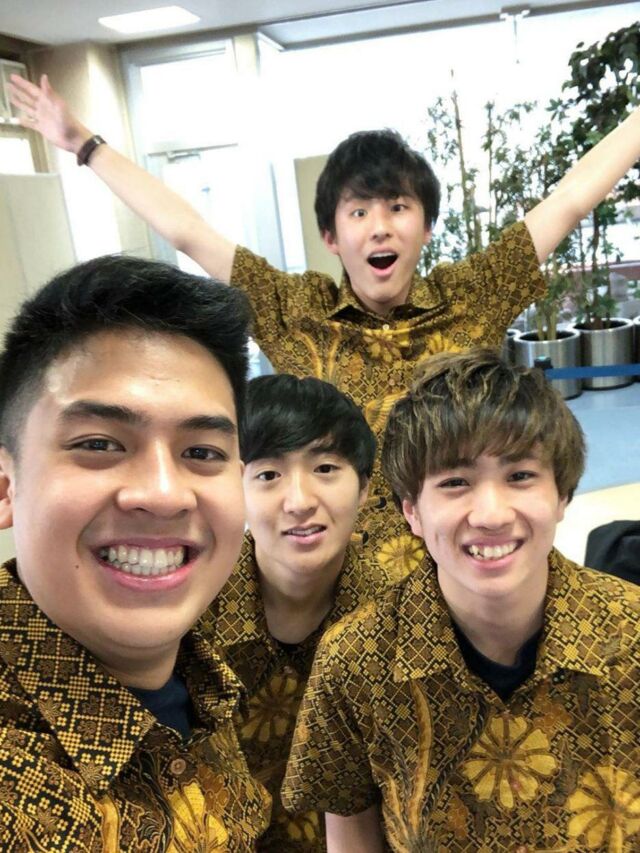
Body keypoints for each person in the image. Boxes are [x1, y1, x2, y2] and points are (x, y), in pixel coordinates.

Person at [9, 73, 640, 579]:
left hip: (467, 564)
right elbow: (187, 232)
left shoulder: (470, 296)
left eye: (398, 207)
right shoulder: (295, 311)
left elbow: (569, 201)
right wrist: (85, 145)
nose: (380, 227)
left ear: (425, 226)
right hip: (335, 582)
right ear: (332, 236)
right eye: (358, 211)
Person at [281, 350, 640, 852]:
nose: (491, 514)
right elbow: (351, 831)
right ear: (412, 511)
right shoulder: (355, 660)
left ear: (562, 495)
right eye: (455, 482)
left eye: (520, 475)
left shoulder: (631, 632)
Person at [0, 256, 271, 850]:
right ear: (6, 485)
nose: (165, 495)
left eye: (201, 453)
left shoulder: (207, 678)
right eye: (100, 444)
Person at [200, 373, 395, 851]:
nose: (300, 502)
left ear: (364, 487)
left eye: (325, 468)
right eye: (269, 475)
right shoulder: (190, 613)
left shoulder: (399, 624)